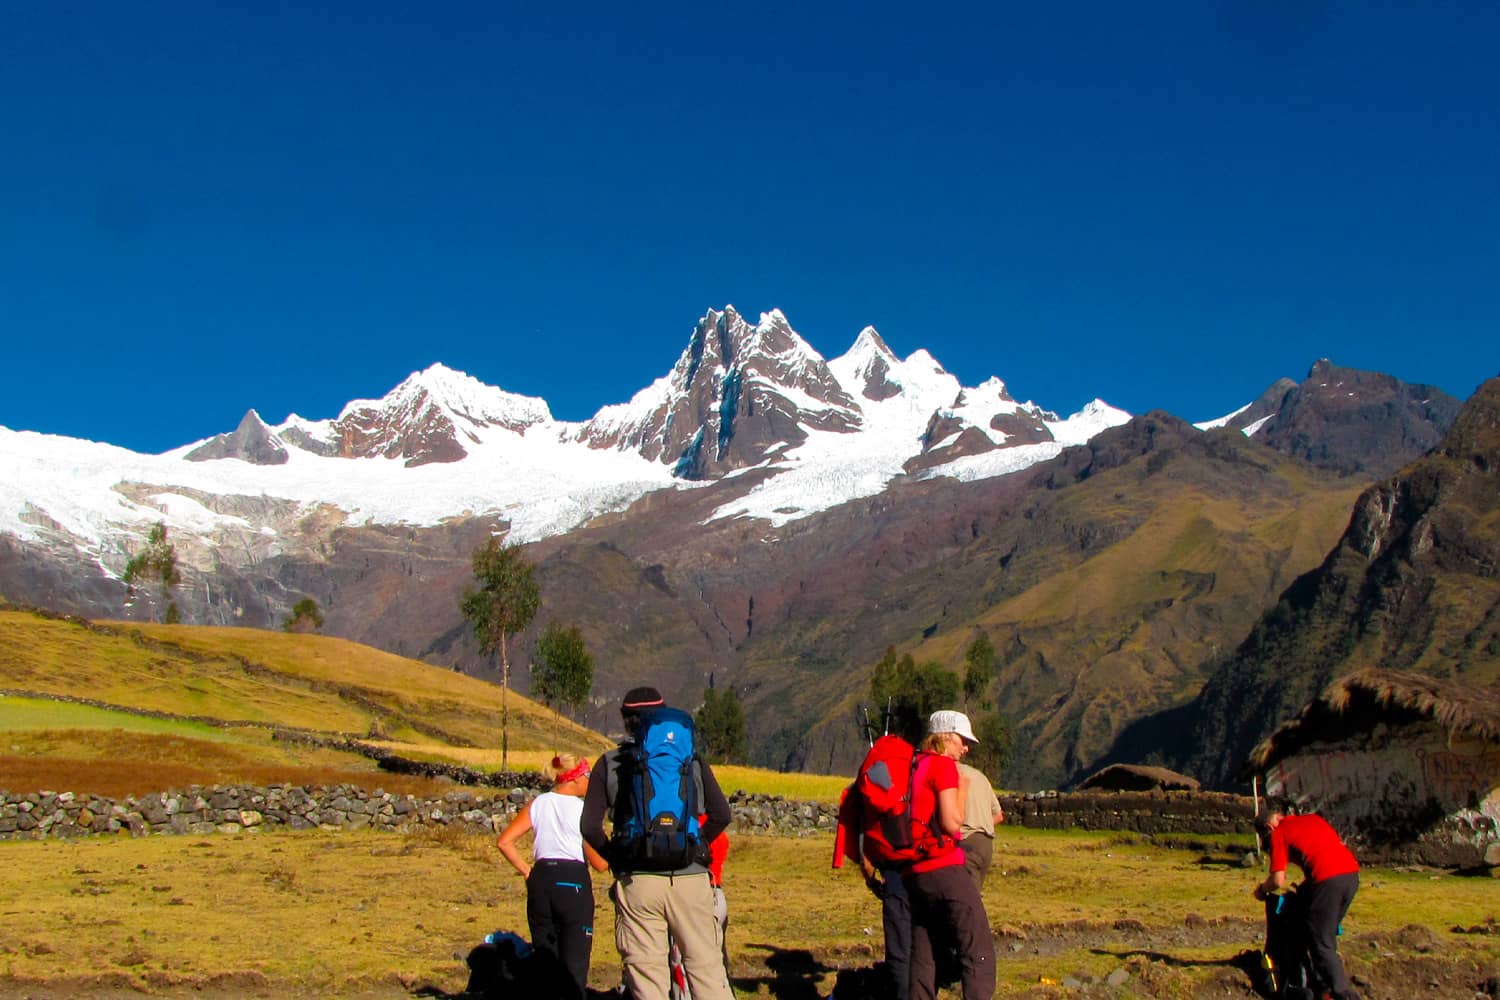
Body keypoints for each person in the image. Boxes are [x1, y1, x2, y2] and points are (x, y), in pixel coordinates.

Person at [581, 686, 735, 1000]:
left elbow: (588, 826)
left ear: (626, 720)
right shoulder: (691, 761)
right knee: (706, 971)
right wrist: (698, 845)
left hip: (639, 881)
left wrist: (618, 859)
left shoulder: (610, 763)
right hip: (691, 877)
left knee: (648, 980)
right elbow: (721, 813)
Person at [495, 752, 610, 999]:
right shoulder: (583, 810)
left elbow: (505, 842)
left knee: (545, 962)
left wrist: (527, 870)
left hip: (541, 880)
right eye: (588, 775)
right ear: (576, 778)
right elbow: (600, 863)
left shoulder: (538, 803)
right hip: (572, 882)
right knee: (574, 966)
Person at [904, 711, 996, 1000]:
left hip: (913, 870)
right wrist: (961, 791)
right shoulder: (943, 768)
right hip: (943, 865)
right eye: (962, 740)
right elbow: (951, 823)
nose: (965, 748)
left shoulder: (912, 765)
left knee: (924, 949)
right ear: (945, 737)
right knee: (976, 944)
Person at [1252, 801, 1361, 1000]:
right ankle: (1323, 989)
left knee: (1321, 942)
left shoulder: (1278, 833)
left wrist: (1261, 890)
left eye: (1264, 837)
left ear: (1268, 827)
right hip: (1351, 876)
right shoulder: (1313, 819)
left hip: (1328, 881)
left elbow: (1277, 879)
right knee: (1322, 933)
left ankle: (1343, 993)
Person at [931, 710, 1004, 890]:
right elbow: (999, 815)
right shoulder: (979, 776)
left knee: (962, 907)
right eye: (963, 741)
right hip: (984, 845)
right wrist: (980, 828)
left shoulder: (943, 773)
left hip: (962, 845)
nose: (966, 748)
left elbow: (949, 823)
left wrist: (966, 832)